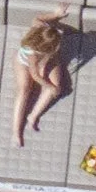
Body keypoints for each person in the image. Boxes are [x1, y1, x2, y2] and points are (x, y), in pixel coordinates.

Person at [12, 8, 73, 145]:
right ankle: (16, 132)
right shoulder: (33, 54)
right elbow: (35, 75)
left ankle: (33, 116)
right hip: (24, 63)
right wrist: (49, 86)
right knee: (24, 90)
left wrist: (56, 14)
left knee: (57, 86)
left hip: (46, 61)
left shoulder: (39, 26)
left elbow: (40, 18)